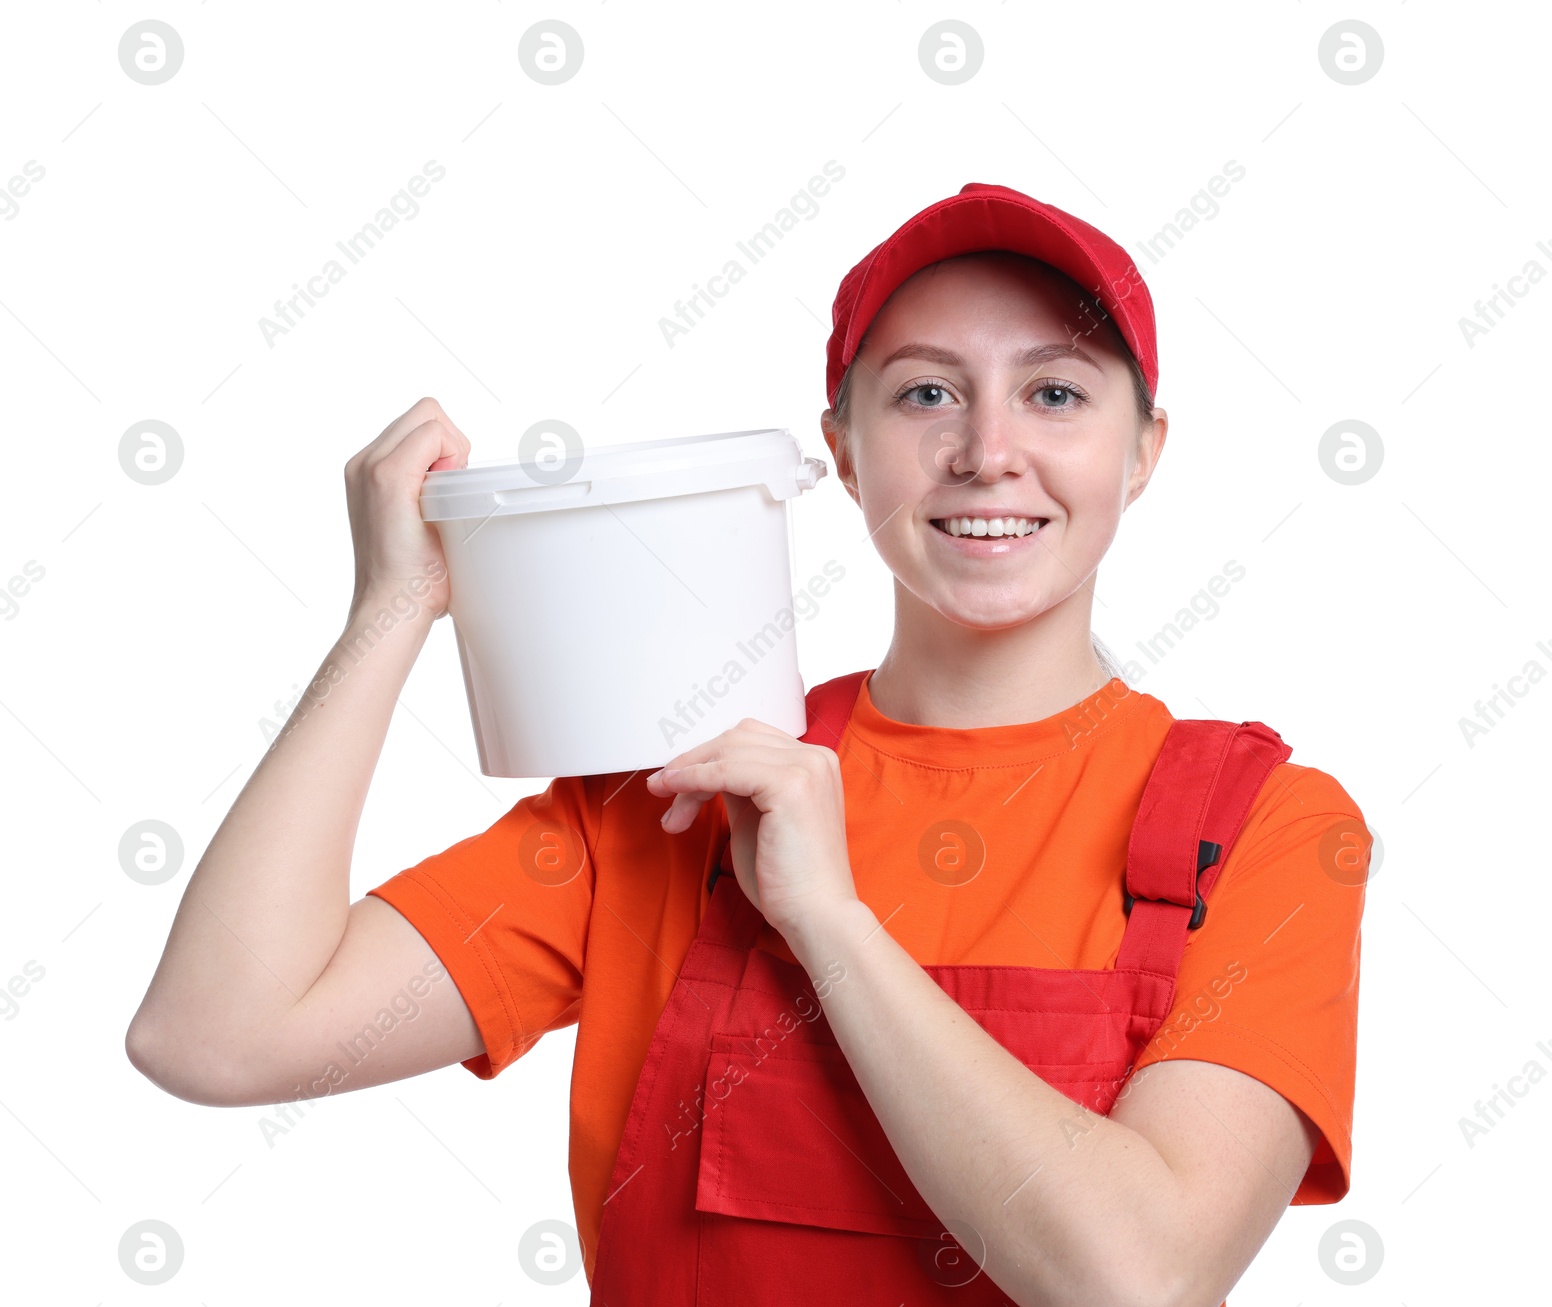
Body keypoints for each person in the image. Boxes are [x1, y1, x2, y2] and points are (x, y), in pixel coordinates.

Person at [126, 182, 1370, 1306]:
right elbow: (220, 1035)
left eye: (1056, 392)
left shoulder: (1257, 828)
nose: (989, 447)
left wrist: (828, 917)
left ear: (1142, 453)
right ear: (837, 452)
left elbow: (1139, 1277)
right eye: (925, 391)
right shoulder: (672, 789)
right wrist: (392, 609)